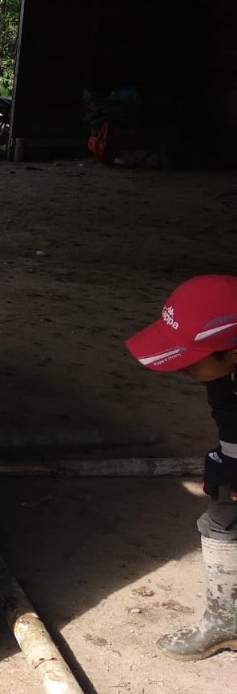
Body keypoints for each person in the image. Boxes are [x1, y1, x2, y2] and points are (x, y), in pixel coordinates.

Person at [126, 274, 237, 660]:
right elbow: (229, 416)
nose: (181, 368)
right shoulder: (226, 376)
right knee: (222, 514)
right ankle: (228, 621)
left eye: (191, 361)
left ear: (232, 352)